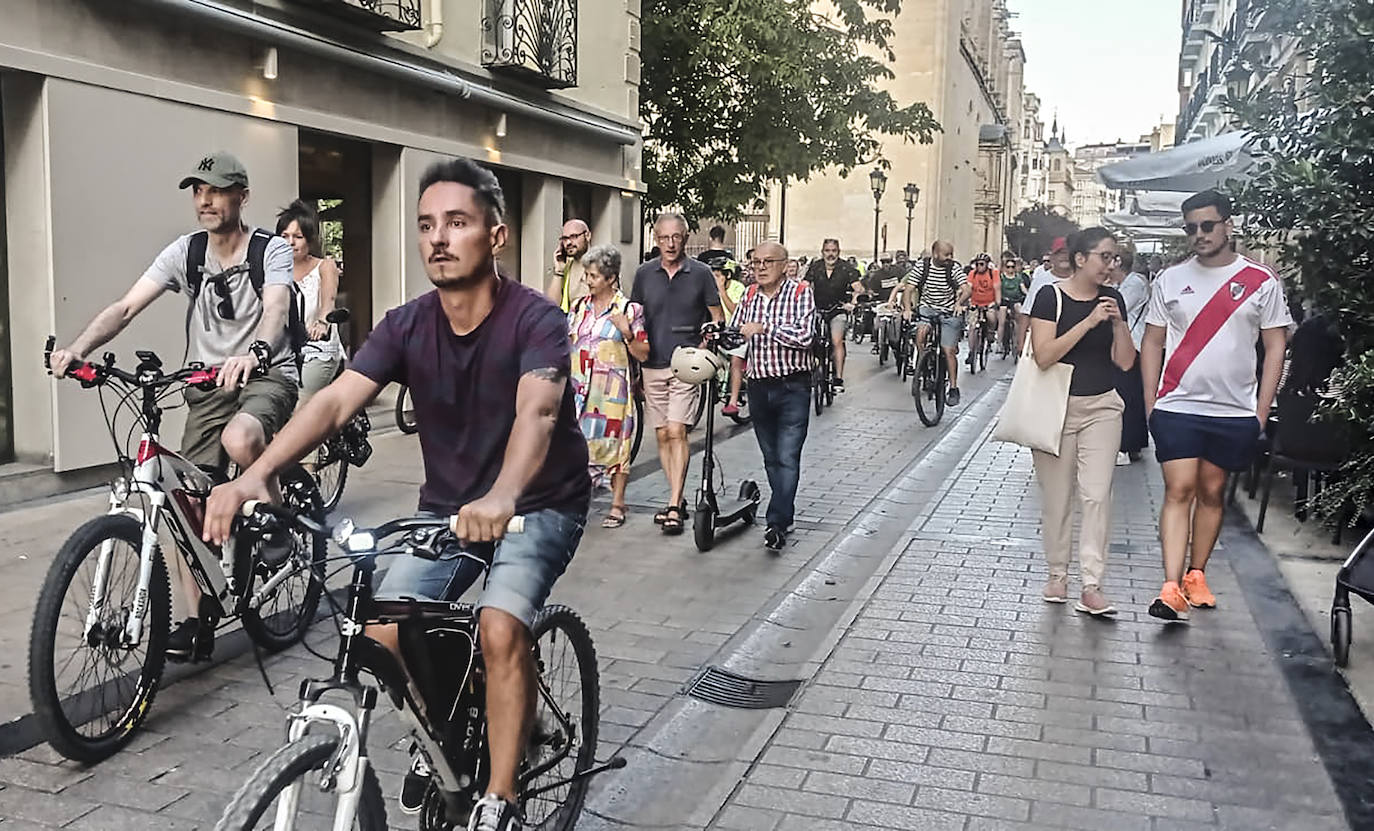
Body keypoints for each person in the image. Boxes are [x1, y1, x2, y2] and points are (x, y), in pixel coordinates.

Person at [203, 157, 590, 829]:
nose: (438, 238)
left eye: (458, 223)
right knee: (381, 624)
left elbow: (538, 413)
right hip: (447, 509)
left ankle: (499, 797)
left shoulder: (536, 320)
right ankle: (448, 734)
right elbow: (332, 404)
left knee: (500, 628)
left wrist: (501, 496)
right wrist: (255, 472)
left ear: (496, 235)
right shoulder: (407, 323)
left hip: (537, 504)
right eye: (426, 225)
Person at [49, 150, 297, 662]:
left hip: (267, 372)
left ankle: (277, 524)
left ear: (241, 196)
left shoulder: (269, 250)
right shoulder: (185, 253)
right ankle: (197, 617)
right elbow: (125, 307)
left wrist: (256, 352)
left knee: (241, 438)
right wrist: (78, 350)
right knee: (186, 504)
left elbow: (275, 309)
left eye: (217, 190)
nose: (205, 200)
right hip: (206, 382)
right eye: (198, 191)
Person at [1141, 190, 1291, 622]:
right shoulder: (1169, 280)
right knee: (1179, 490)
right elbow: (1153, 341)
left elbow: (1275, 346)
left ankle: (1196, 573)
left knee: (1211, 492)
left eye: (1208, 225)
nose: (1200, 235)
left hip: (1233, 410)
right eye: (1191, 228)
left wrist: (1261, 411)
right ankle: (1169, 587)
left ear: (1228, 224)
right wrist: (1152, 402)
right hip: (1178, 406)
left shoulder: (1261, 280)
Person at [1029, 227, 1136, 616]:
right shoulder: (1050, 296)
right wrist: (1089, 323)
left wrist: (1119, 324)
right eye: (1104, 257)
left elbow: (1125, 361)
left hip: (1103, 406)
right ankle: (1058, 573)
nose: (1111, 266)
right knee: (1058, 498)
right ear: (1080, 259)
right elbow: (1044, 355)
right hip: (1056, 408)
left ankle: (1092, 584)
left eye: (1114, 258)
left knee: (1096, 494)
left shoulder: (1114, 299)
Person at [631, 213, 722, 536]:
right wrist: (634, 361)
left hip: (686, 363)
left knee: (676, 430)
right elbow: (636, 318)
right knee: (660, 435)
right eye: (664, 238)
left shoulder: (700, 273)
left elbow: (716, 316)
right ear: (656, 239)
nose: (670, 244)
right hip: (651, 363)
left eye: (676, 237)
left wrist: (704, 344)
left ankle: (672, 503)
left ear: (685, 238)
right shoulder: (644, 274)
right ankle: (678, 497)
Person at [730, 242, 815, 551]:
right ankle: (784, 513)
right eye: (755, 262)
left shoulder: (799, 292)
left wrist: (765, 328)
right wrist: (716, 333)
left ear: (784, 264)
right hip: (759, 387)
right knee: (770, 458)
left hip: (793, 386)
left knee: (787, 456)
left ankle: (776, 521)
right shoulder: (749, 295)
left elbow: (806, 337)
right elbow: (737, 334)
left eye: (768, 262)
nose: (760, 267)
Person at [569, 245, 648, 530]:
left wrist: (627, 332)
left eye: (593, 276)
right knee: (576, 445)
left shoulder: (629, 309)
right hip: (578, 389)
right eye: (586, 275)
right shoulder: (579, 308)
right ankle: (577, 501)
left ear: (610, 278)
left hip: (611, 391)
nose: (587, 281)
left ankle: (617, 503)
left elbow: (642, 353)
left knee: (615, 445)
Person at [277, 200, 343, 406]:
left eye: (298, 237)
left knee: (298, 408)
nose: (290, 242)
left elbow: (328, 299)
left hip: (318, 349)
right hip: (286, 351)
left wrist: (322, 322)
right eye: (284, 236)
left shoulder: (325, 266)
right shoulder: (275, 272)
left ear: (309, 240)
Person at [902, 241, 970, 405]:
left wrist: (959, 303)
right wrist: (907, 309)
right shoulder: (922, 266)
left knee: (948, 350)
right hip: (927, 309)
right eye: (946, 254)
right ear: (935, 254)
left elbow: (967, 289)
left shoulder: (953, 268)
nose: (950, 258)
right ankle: (923, 365)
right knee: (921, 334)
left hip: (948, 312)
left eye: (951, 254)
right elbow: (909, 288)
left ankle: (953, 388)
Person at [804, 239, 862, 392]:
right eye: (827, 251)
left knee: (837, 341)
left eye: (834, 251)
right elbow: (805, 285)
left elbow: (858, 288)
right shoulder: (815, 267)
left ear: (839, 252)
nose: (831, 254)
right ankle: (810, 369)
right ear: (822, 252)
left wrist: (854, 302)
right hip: (817, 309)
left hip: (838, 309)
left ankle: (838, 378)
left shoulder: (846, 268)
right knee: (808, 339)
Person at [1113, 247, 1151, 464]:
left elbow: (1120, 309)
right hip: (1126, 344)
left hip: (1133, 345)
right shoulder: (1125, 283)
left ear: (1118, 262)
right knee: (1130, 394)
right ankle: (1133, 443)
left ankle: (1125, 446)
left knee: (1127, 395)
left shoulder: (1135, 283)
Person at [710, 258, 750, 417]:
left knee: (736, 361)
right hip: (720, 329)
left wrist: (722, 291)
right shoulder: (710, 288)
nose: (714, 278)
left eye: (717, 275)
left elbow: (735, 310)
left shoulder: (738, 288)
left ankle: (733, 401)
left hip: (737, 331)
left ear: (727, 275)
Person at [1020, 236, 1072, 350]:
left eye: (1067, 252)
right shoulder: (1040, 280)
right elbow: (1026, 312)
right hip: (1043, 344)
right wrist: (1021, 343)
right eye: (1059, 253)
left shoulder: (1081, 279)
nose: (1064, 257)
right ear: (1052, 257)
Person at [965, 253, 1001, 369]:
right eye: (977, 264)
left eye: (981, 264)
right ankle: (971, 352)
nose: (979, 266)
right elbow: (968, 288)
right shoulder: (972, 273)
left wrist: (997, 303)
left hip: (989, 302)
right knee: (972, 327)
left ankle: (990, 334)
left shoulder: (993, 273)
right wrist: (967, 302)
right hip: (975, 303)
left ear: (986, 265)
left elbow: (997, 288)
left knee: (991, 318)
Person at [546, 219, 591, 312]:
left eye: (574, 236)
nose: (568, 243)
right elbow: (551, 306)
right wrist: (559, 270)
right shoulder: (566, 266)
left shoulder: (601, 263)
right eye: (565, 238)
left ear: (587, 236)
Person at [995, 251, 1026, 352]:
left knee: (1019, 314)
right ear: (1005, 267)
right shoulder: (1002, 277)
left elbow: (1023, 288)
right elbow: (998, 287)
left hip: (1015, 300)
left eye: (1012, 267)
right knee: (1002, 321)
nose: (1010, 269)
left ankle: (1018, 340)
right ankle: (999, 344)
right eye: (1008, 267)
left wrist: (1029, 294)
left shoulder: (1018, 277)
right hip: (1004, 300)